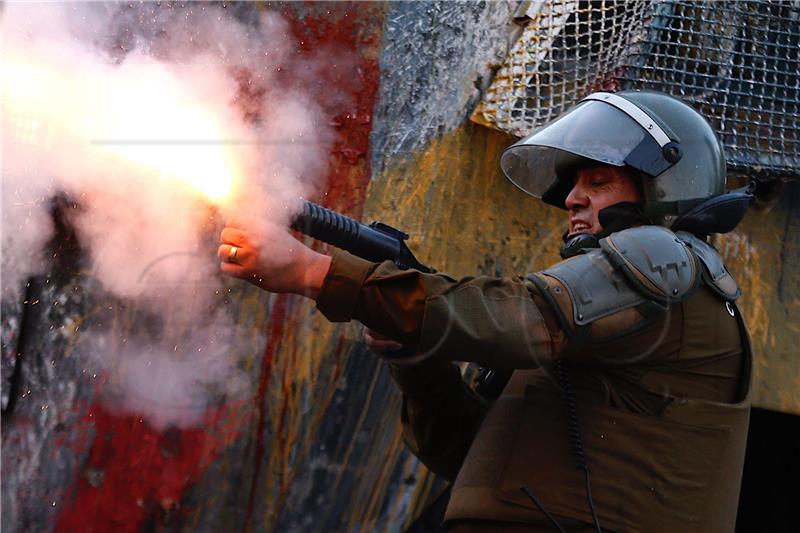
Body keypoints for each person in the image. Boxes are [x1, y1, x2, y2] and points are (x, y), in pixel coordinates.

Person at [218, 91, 753, 532]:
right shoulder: (588, 318)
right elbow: (465, 454)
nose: (571, 199)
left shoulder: (664, 259)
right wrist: (414, 356)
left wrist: (316, 274)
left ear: (665, 189)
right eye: (573, 184)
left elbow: (515, 318)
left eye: (598, 181)